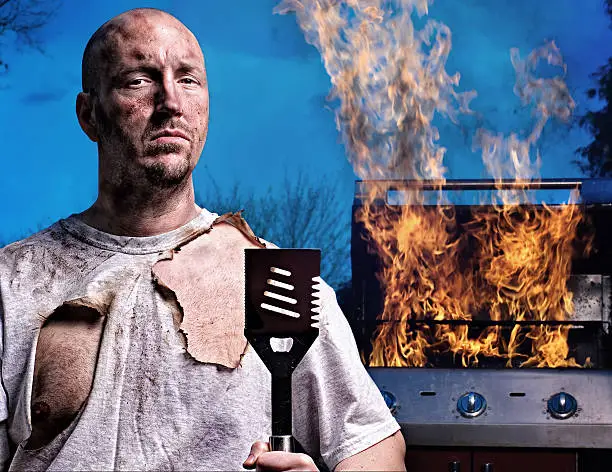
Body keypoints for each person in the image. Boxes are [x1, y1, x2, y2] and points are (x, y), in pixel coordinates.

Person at [0, 7, 406, 471]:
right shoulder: (13, 282)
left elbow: (373, 446)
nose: (170, 101)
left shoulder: (275, 279)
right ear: (90, 115)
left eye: (188, 79)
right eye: (139, 80)